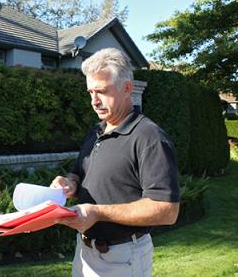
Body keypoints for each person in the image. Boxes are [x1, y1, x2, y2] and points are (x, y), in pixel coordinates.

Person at [51, 48, 180, 277]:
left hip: (123, 258)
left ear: (127, 88)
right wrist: (68, 184)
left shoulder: (150, 137)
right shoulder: (97, 131)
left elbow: (167, 210)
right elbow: (78, 174)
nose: (94, 101)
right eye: (90, 92)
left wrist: (98, 213)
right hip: (84, 253)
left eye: (101, 91)